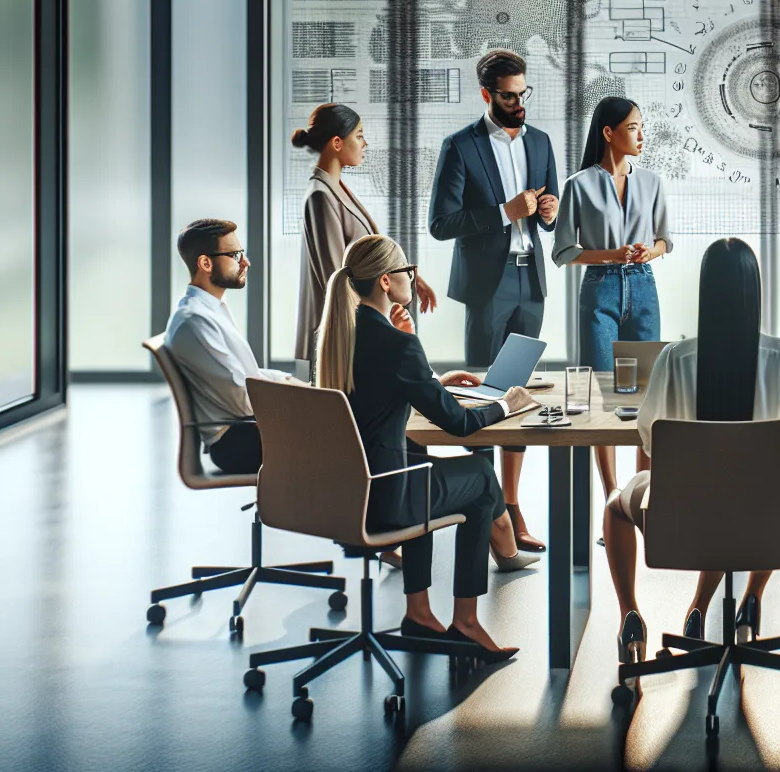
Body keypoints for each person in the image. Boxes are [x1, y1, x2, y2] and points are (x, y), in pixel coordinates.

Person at [603, 239, 780, 661]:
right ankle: (748, 599)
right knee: (764, 495)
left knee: (614, 505)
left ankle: (631, 618)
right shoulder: (779, 355)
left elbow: (647, 436)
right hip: (765, 526)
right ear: (755, 292)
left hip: (683, 521)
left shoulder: (675, 358)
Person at [312, 234, 537, 659]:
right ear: (384, 281)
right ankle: (467, 621)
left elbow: (383, 392)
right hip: (385, 500)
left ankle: (419, 612)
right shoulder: (396, 345)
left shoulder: (339, 337)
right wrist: (506, 404)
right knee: (481, 478)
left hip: (344, 496)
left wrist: (433, 379)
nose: (413, 280)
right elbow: (460, 426)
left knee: (419, 458)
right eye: (407, 272)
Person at [429, 49, 560, 552]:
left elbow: (549, 219)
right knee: (486, 396)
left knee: (518, 398)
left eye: (523, 93)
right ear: (487, 94)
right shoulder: (460, 146)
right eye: (509, 96)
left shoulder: (543, 143)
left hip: (531, 282)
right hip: (488, 286)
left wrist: (547, 212)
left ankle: (513, 506)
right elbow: (441, 224)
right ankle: (486, 513)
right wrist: (503, 212)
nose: (519, 103)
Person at [553, 96, 671, 504]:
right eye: (634, 127)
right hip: (599, 288)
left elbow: (663, 241)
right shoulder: (578, 185)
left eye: (641, 126)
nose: (641, 135)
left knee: (644, 398)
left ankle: (644, 493)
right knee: (602, 399)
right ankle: (611, 495)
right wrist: (611, 254)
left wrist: (647, 251)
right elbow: (564, 252)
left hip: (643, 287)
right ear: (609, 132)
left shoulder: (652, 182)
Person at [292, 102, 438, 363]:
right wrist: (378, 329)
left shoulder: (337, 188)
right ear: (337, 143)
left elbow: (369, 255)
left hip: (358, 330)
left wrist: (410, 277)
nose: (365, 144)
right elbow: (336, 276)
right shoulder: (320, 196)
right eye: (358, 136)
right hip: (342, 336)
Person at [162, 219, 301, 474]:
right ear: (205, 263)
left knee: (353, 428)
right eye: (235, 254)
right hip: (238, 440)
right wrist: (305, 400)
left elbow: (247, 378)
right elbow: (244, 400)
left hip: (246, 429)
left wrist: (292, 382)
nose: (245, 262)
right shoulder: (195, 321)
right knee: (353, 438)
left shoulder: (210, 311)